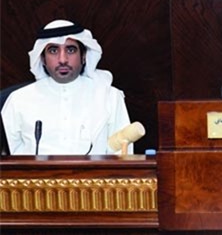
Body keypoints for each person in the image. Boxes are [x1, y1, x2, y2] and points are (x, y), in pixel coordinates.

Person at [1, 19, 132, 155]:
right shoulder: (18, 100)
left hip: (96, 176)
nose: (62, 59)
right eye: (53, 50)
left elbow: (123, 158)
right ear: (43, 59)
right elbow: (9, 164)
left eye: (70, 50)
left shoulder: (109, 96)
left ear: (83, 56)